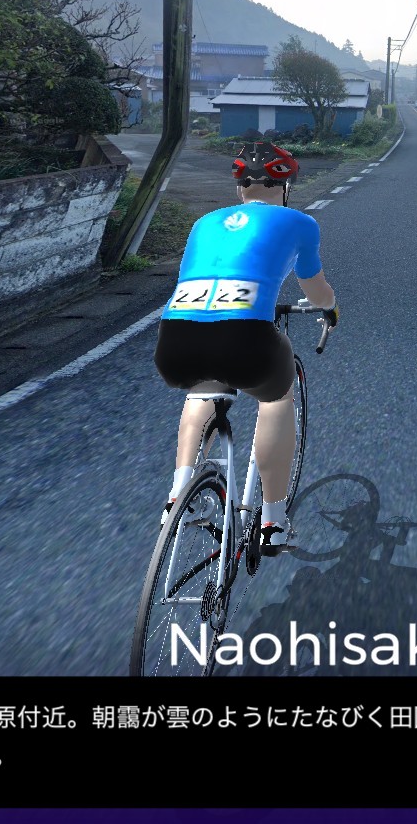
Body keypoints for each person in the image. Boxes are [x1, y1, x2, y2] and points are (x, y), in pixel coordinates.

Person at [153, 141, 339, 554]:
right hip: (245, 337)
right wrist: (329, 309)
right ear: (285, 187)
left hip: (175, 338)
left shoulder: (204, 223)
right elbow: (316, 288)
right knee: (276, 398)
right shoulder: (299, 222)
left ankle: (179, 493)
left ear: (240, 188)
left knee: (203, 387)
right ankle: (273, 521)